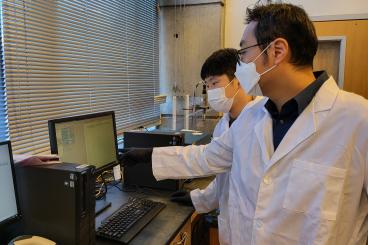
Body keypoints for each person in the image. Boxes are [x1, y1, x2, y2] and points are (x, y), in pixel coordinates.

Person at [122, 3, 368, 244]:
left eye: (243, 53)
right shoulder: (253, 116)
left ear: (277, 51)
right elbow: (207, 157)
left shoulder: (357, 119)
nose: (239, 66)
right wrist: (147, 155)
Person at [171, 48, 255, 245]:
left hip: (254, 230)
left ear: (239, 80)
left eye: (215, 83)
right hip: (231, 226)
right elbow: (223, 181)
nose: (211, 92)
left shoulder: (262, 119)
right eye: (207, 86)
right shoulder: (222, 125)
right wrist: (197, 199)